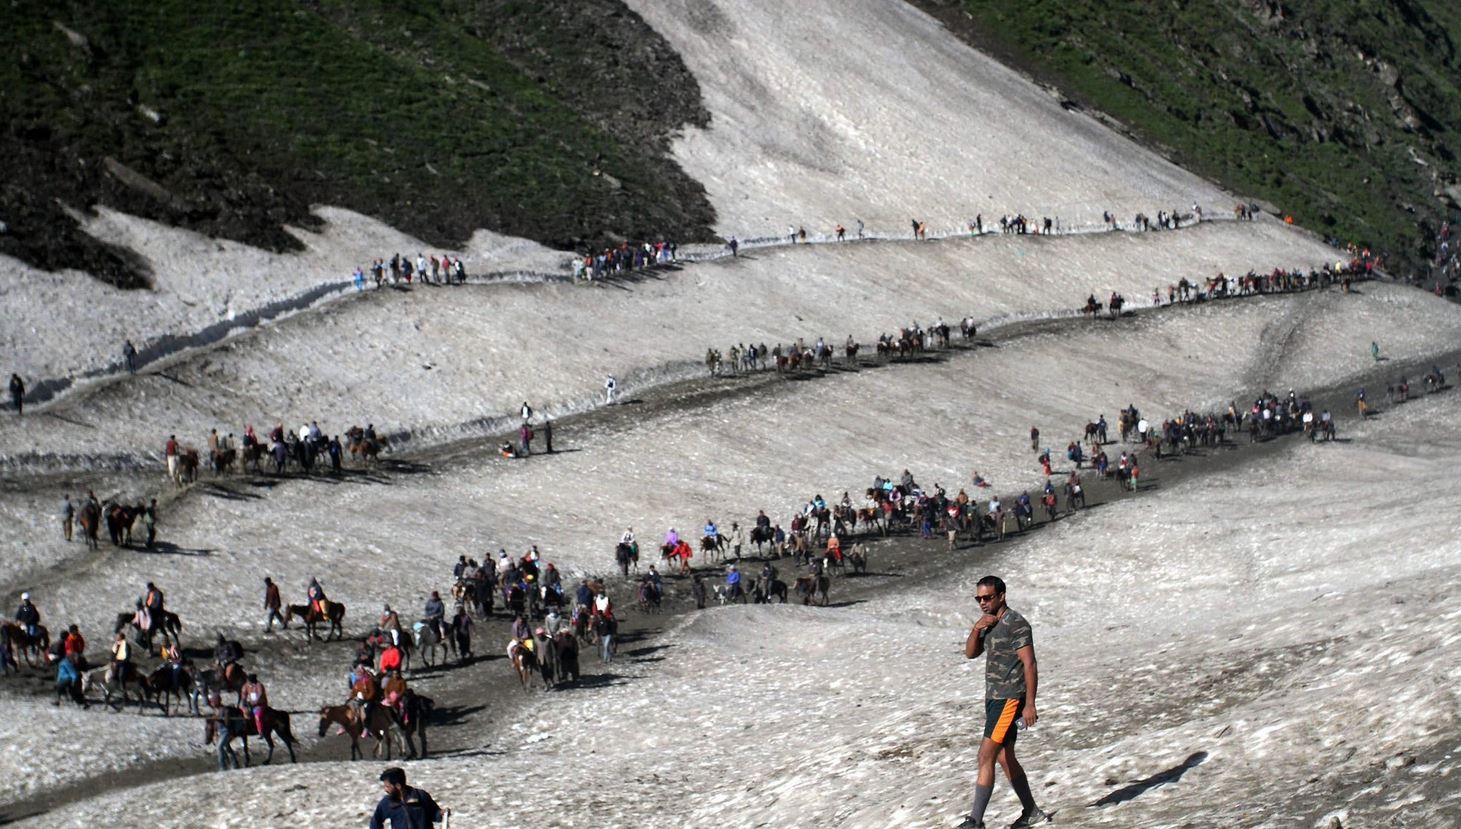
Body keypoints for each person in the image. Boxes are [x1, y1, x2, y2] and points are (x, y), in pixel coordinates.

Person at [959, 576, 1045, 828]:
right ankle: (1032, 812)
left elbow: (1030, 663)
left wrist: (1030, 704)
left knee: (985, 755)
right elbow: (971, 653)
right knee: (1005, 757)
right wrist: (977, 628)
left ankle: (975, 821)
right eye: (979, 599)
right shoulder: (988, 623)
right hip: (993, 699)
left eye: (987, 597)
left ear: (1001, 596)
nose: (983, 603)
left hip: (1009, 699)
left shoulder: (1016, 623)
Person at [370, 766, 444, 829]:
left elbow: (434, 814)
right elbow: (376, 822)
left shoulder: (420, 796)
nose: (385, 790)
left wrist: (441, 814)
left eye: (388, 786)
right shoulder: (387, 802)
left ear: (398, 786)